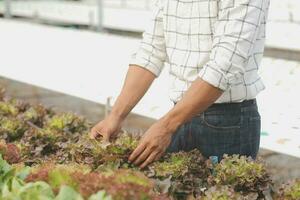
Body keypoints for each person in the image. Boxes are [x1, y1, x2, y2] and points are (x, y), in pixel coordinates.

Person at [90, 0, 270, 169]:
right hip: (179, 117)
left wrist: (166, 125)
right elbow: (151, 50)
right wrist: (115, 116)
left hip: (227, 122)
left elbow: (225, 64)